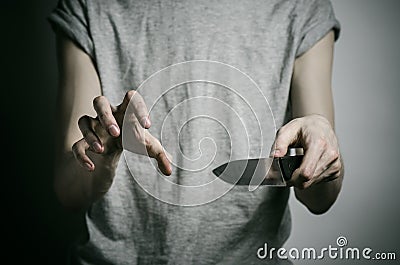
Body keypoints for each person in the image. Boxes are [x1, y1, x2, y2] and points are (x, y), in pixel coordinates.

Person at [48, 0, 344, 264]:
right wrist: (105, 153)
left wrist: (322, 153)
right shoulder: (89, 7)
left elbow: (321, 198)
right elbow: (69, 192)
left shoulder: (303, 7)